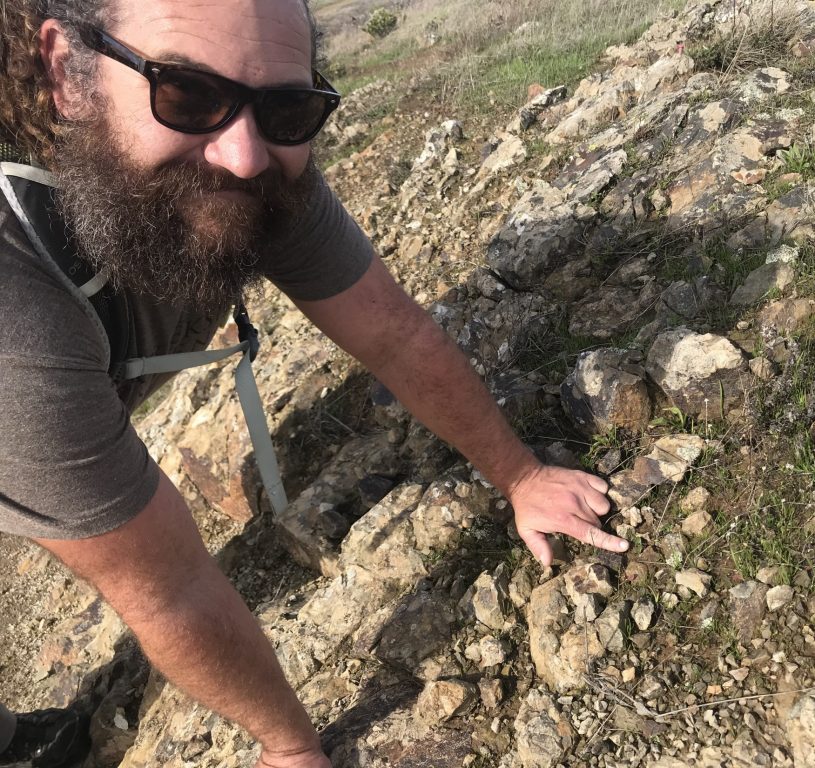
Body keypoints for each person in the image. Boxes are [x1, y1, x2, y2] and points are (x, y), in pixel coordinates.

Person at [0, 1, 630, 766]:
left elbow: (392, 333)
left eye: (287, 107)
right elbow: (168, 589)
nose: (243, 154)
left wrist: (521, 475)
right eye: (187, 94)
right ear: (67, 71)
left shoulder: (255, 162)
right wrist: (294, 748)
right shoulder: (14, 314)